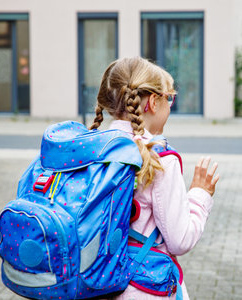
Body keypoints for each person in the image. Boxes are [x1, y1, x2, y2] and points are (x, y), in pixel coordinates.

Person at [89, 57, 220, 300]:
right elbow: (180, 240)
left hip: (92, 283)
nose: (170, 105)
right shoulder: (158, 159)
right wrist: (200, 194)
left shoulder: (88, 148)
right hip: (141, 289)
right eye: (169, 97)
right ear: (153, 101)